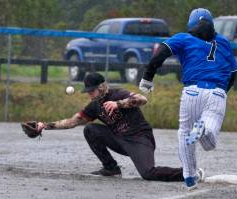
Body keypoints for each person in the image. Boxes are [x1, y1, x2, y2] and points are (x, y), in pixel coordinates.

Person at [139, 8, 237, 190]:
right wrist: (222, 92)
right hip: (217, 92)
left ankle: (190, 176)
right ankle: (203, 129)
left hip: (192, 92)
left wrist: (148, 76)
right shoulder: (223, 42)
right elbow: (233, 74)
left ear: (191, 24)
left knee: (185, 132)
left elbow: (161, 53)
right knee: (209, 142)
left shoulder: (184, 38)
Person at [36, 72, 183, 182]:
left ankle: (186, 174)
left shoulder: (119, 93)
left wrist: (119, 104)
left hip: (140, 139)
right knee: (90, 129)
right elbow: (73, 121)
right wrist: (45, 126)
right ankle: (111, 168)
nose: (90, 95)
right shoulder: (94, 106)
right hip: (120, 140)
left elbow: (142, 99)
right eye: (88, 92)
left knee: (148, 173)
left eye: (92, 91)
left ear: (101, 87)